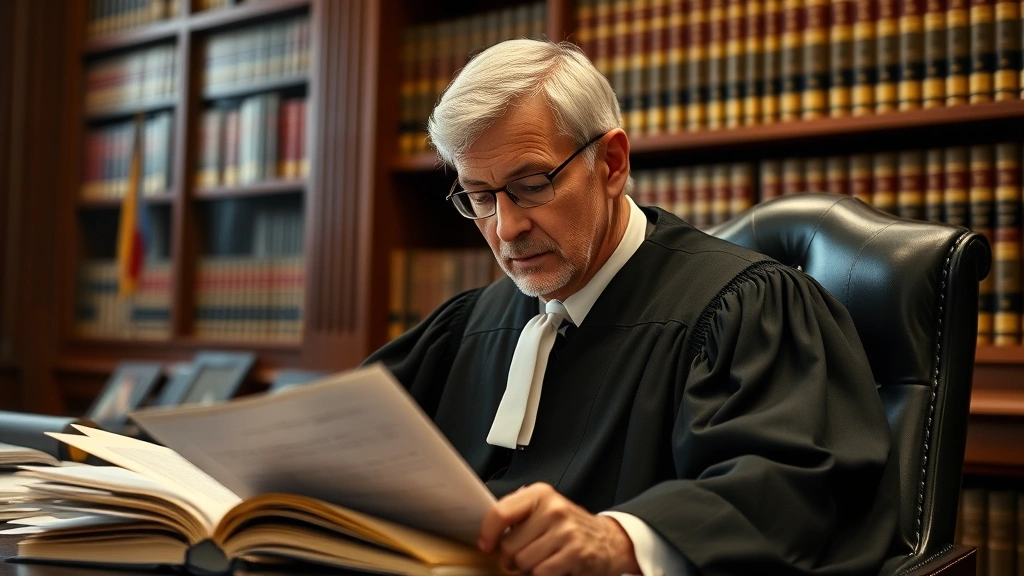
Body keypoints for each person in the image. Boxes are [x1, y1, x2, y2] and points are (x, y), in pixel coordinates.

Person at [365, 39, 898, 575]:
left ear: (612, 163)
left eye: (530, 186)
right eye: (480, 197)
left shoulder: (748, 309)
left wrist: (618, 539)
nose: (506, 228)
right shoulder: (469, 326)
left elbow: (791, 493)